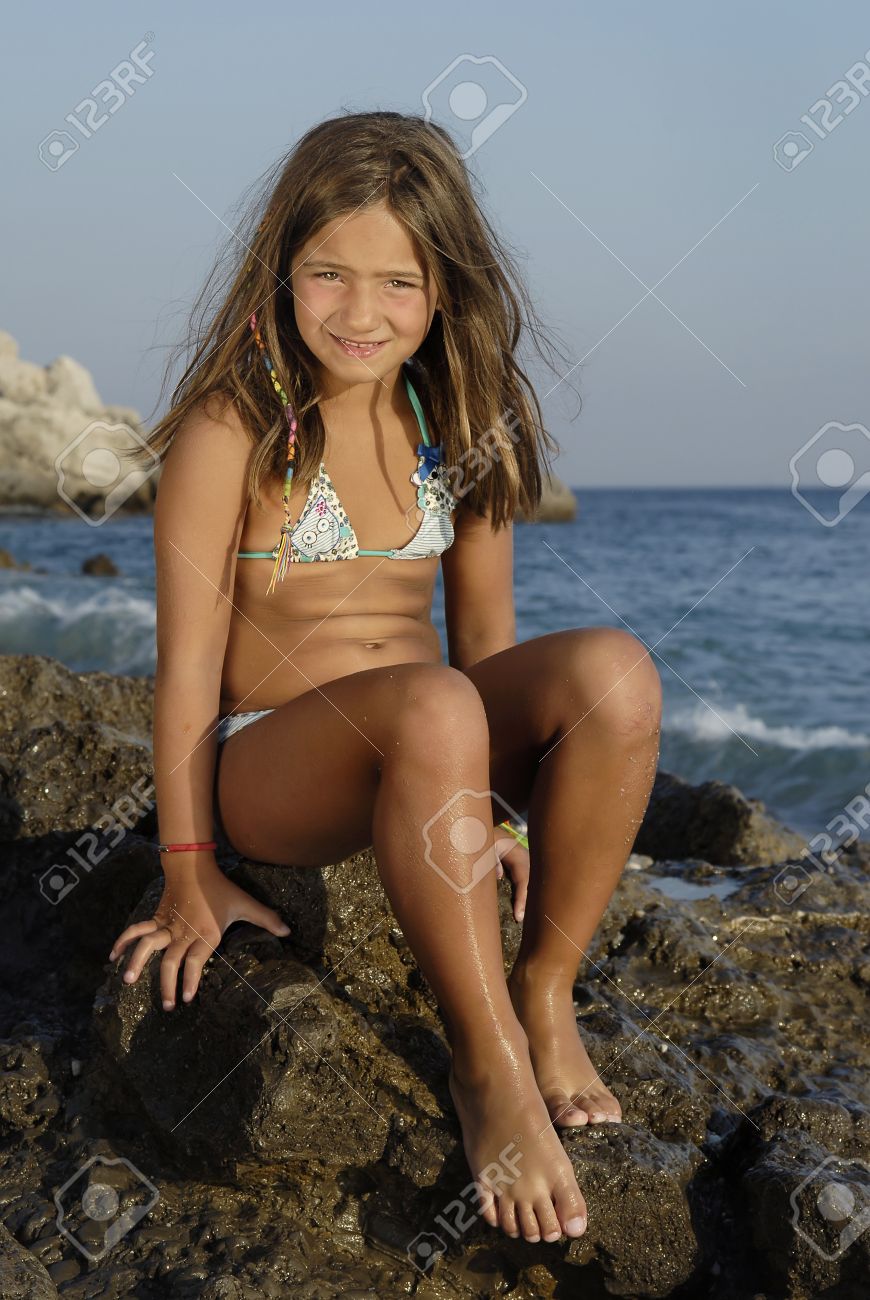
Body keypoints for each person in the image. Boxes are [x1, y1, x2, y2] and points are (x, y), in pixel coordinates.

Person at [107, 110, 662, 1247]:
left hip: (432, 740)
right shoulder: (236, 429)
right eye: (329, 274)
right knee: (435, 700)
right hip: (271, 765)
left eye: (398, 283)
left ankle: (545, 993)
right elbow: (183, 677)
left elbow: (491, 656)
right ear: (282, 269)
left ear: (446, 288)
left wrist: (487, 822)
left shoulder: (464, 426)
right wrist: (188, 873)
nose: (361, 313)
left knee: (616, 672)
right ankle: (486, 1062)